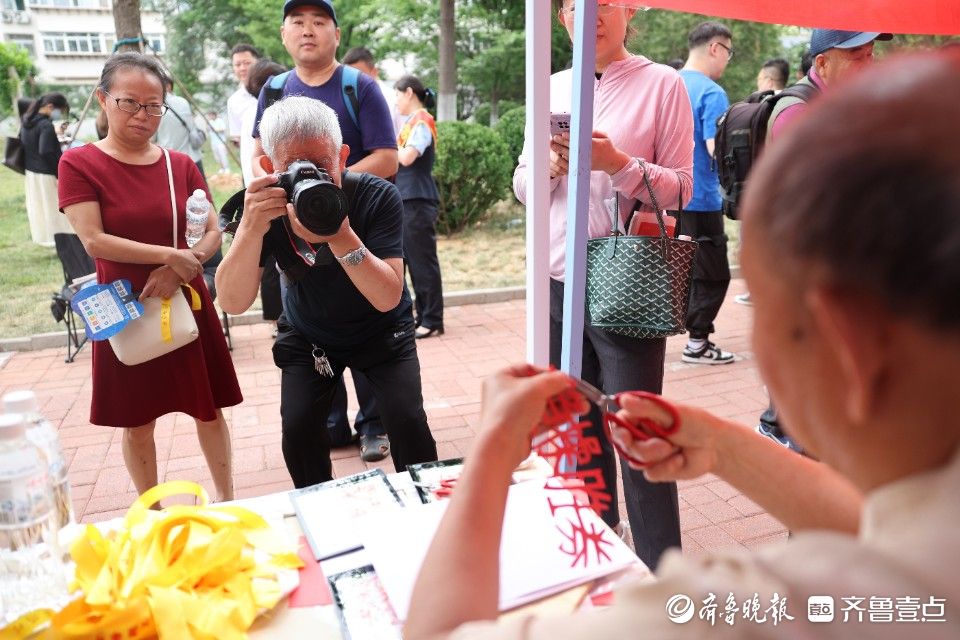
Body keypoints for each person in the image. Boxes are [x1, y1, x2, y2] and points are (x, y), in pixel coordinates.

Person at [404, 50, 960, 640]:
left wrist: (493, 448)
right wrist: (724, 446)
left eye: (762, 307)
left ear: (848, 343)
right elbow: (875, 529)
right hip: (563, 275)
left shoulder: (757, 608)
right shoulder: (921, 547)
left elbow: (440, 632)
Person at [514, 0, 693, 570]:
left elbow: (685, 189)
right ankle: (598, 554)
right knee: (576, 430)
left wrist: (617, 163)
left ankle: (665, 572)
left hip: (626, 279)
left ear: (628, 13)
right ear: (562, 17)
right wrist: (548, 168)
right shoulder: (551, 85)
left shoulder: (662, 84)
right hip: (557, 276)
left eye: (604, 2)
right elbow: (522, 185)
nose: (589, 12)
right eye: (573, 4)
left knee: (638, 432)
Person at [216, 96, 438, 488]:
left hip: (383, 329)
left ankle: (429, 509)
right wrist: (249, 229)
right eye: (295, 169)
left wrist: (341, 237)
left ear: (343, 156)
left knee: (408, 423)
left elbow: (388, 297)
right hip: (311, 332)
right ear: (269, 167)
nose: (312, 179)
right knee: (298, 431)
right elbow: (232, 302)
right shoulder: (263, 207)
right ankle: (318, 511)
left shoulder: (376, 196)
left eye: (322, 166)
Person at [58, 52, 241, 502]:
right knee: (137, 422)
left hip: (186, 300)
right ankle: (152, 513)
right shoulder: (79, 164)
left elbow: (214, 229)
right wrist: (171, 256)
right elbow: (94, 241)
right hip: (124, 306)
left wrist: (180, 269)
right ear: (103, 99)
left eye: (154, 105)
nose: (143, 115)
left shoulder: (179, 164)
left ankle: (228, 500)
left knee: (210, 411)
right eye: (129, 103)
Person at [250, 0, 399, 464]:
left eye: (319, 22)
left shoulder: (360, 86)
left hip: (352, 215)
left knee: (368, 309)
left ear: (336, 33)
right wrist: (291, 193)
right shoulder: (272, 91)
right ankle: (332, 423)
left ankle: (374, 425)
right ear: (283, 35)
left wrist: (327, 190)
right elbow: (261, 152)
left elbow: (387, 157)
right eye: (298, 22)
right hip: (293, 223)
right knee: (310, 312)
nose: (308, 31)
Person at [757, 29, 891, 451]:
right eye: (857, 56)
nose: (869, 65)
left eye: (871, 54)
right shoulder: (798, 112)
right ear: (822, 64)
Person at [676, 22, 736, 365]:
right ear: (715, 48)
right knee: (714, 274)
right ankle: (697, 343)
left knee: (678, 271)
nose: (727, 60)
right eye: (728, 52)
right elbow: (718, 150)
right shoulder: (712, 93)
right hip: (701, 199)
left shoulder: (666, 83)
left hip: (667, 196)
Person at [394, 75, 444, 339]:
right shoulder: (413, 122)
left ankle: (432, 319)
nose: (396, 101)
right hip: (408, 198)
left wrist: (385, 147)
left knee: (422, 261)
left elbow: (408, 156)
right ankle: (422, 315)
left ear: (409, 92)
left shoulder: (422, 120)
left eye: (398, 95)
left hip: (417, 199)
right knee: (412, 261)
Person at [244, 58, 289, 336]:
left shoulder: (259, 112)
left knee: (275, 258)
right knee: (275, 258)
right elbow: (256, 157)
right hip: (268, 190)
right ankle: (279, 318)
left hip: (264, 187)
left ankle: (278, 319)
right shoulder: (264, 115)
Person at [20, 92, 75, 247]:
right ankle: (62, 238)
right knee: (54, 207)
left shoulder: (26, 121)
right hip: (46, 173)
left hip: (32, 172)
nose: (59, 115)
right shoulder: (45, 125)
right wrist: (59, 172)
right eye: (60, 111)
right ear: (50, 107)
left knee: (39, 208)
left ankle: (46, 237)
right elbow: (46, 150)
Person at [155, 75, 207, 184]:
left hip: (169, 162)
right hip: (193, 159)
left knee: (176, 198)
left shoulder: (155, 107)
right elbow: (192, 126)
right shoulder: (183, 102)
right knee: (201, 196)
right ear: (169, 86)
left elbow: (152, 138)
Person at [344, 45, 403, 136]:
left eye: (359, 76)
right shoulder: (344, 98)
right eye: (349, 75)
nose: (354, 81)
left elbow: (403, 138)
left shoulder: (394, 100)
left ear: (374, 72)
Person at [227, 43, 262, 185]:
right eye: (237, 64)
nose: (242, 68)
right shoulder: (233, 101)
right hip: (251, 168)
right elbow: (239, 139)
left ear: (257, 63)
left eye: (247, 63)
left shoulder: (273, 88)